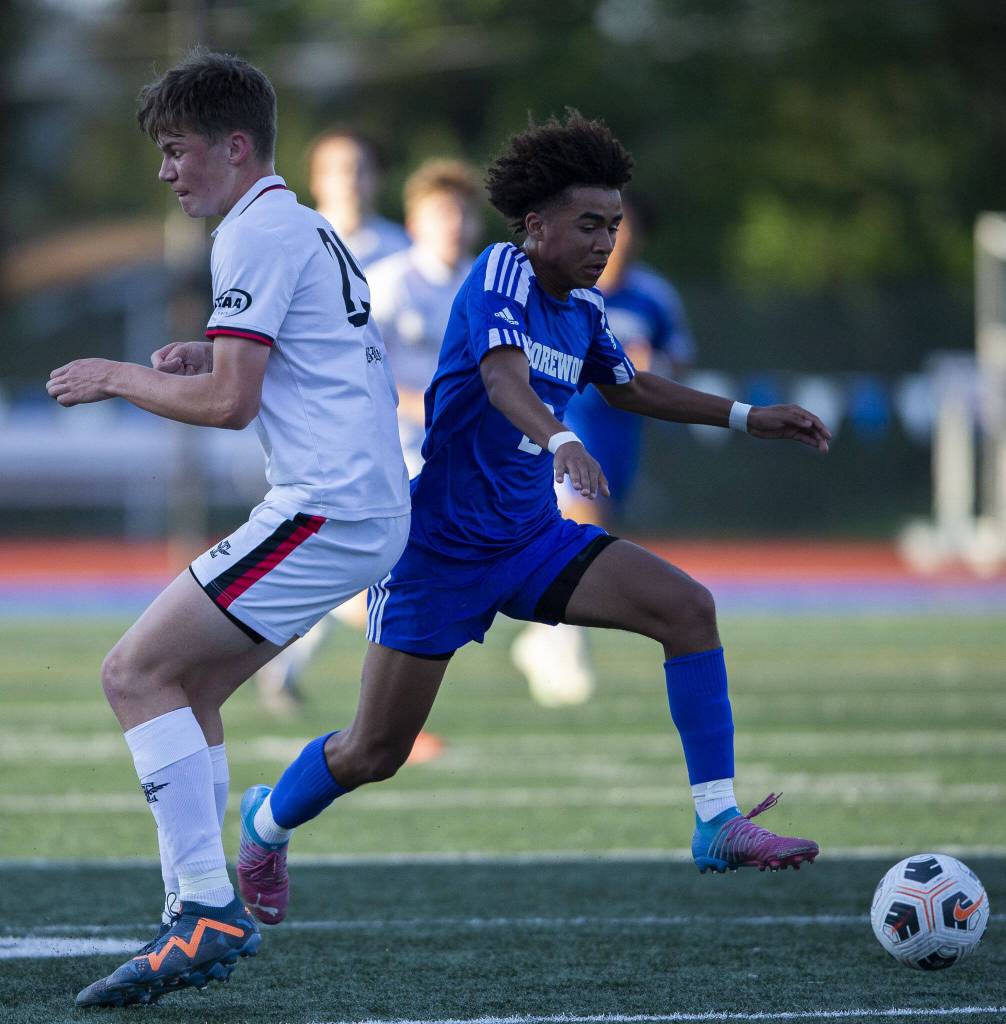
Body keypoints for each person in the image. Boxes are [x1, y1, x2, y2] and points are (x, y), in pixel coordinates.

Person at [233, 110, 832, 933]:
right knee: (374, 751)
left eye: (615, 228)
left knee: (688, 609)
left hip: (529, 539)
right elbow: (505, 377)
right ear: (536, 222)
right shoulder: (500, 272)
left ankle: (716, 822)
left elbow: (630, 386)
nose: (605, 244)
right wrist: (560, 438)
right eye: (590, 225)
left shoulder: (583, 313)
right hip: (437, 553)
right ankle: (265, 825)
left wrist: (748, 416)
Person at [45, 48, 411, 1007]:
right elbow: (284, 357)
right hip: (358, 507)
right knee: (187, 685)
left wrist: (118, 375)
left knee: (131, 672)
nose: (165, 173)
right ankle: (197, 906)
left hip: (327, 507)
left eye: (177, 151)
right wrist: (202, 349)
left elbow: (231, 406)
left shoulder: (252, 234)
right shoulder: (295, 222)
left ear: (235, 146)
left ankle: (202, 908)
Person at [254, 159, 482, 736]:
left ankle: (295, 659)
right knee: (400, 574)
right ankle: (388, 719)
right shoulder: (390, 281)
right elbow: (352, 364)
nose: (453, 224)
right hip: (391, 447)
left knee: (422, 569)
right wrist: (427, 408)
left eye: (462, 212)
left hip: (454, 451)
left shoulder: (480, 284)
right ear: (414, 219)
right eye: (440, 212)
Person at [511, 195, 696, 707]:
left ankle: (544, 632)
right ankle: (559, 641)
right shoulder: (557, 285)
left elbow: (678, 364)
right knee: (584, 524)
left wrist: (650, 362)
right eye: (602, 226)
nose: (612, 239)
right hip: (566, 426)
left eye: (622, 227)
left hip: (621, 434)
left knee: (596, 531)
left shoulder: (654, 296)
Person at [307, 127, 409, 269]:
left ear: (380, 178)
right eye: (341, 170)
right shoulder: (292, 244)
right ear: (315, 180)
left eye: (362, 169)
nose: (351, 180)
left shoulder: (404, 248)